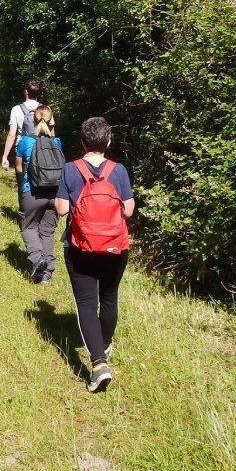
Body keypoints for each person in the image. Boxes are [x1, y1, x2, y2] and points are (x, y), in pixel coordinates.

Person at [54, 116, 134, 393]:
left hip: (81, 247)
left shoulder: (70, 169)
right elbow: (129, 209)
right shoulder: (119, 171)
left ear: (83, 142)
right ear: (108, 142)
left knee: (87, 305)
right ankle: (104, 345)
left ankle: (98, 364)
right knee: (109, 298)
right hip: (115, 247)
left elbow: (63, 209)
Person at [15, 105, 63, 283]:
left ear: (32, 120)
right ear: (51, 122)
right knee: (47, 232)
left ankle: (37, 258)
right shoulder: (57, 143)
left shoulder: (25, 142)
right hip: (54, 193)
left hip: (32, 192)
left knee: (29, 227)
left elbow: (19, 169)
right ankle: (47, 274)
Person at [0, 78, 44, 171]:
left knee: (22, 180)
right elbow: (52, 134)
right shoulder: (46, 109)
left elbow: (12, 135)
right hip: (43, 149)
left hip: (22, 150)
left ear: (26, 92)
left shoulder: (16, 109)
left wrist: (5, 156)